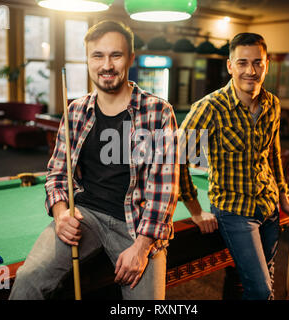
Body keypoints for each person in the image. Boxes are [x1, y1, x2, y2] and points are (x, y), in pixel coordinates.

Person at [9, 20, 179, 300]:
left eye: (116, 55)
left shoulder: (158, 111)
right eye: (97, 55)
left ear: (130, 58)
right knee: (27, 281)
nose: (106, 65)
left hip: (136, 226)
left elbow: (163, 190)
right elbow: (57, 174)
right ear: (88, 60)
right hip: (84, 215)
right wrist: (61, 213)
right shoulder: (75, 110)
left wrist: (142, 247)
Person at [178, 32, 289, 300]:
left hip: (269, 207)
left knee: (256, 279)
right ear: (230, 66)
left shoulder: (272, 104)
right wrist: (195, 210)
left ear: (266, 64)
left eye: (258, 62)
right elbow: (177, 159)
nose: (251, 70)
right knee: (260, 291)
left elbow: (274, 153)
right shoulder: (209, 107)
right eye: (243, 63)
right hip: (234, 212)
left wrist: (283, 198)